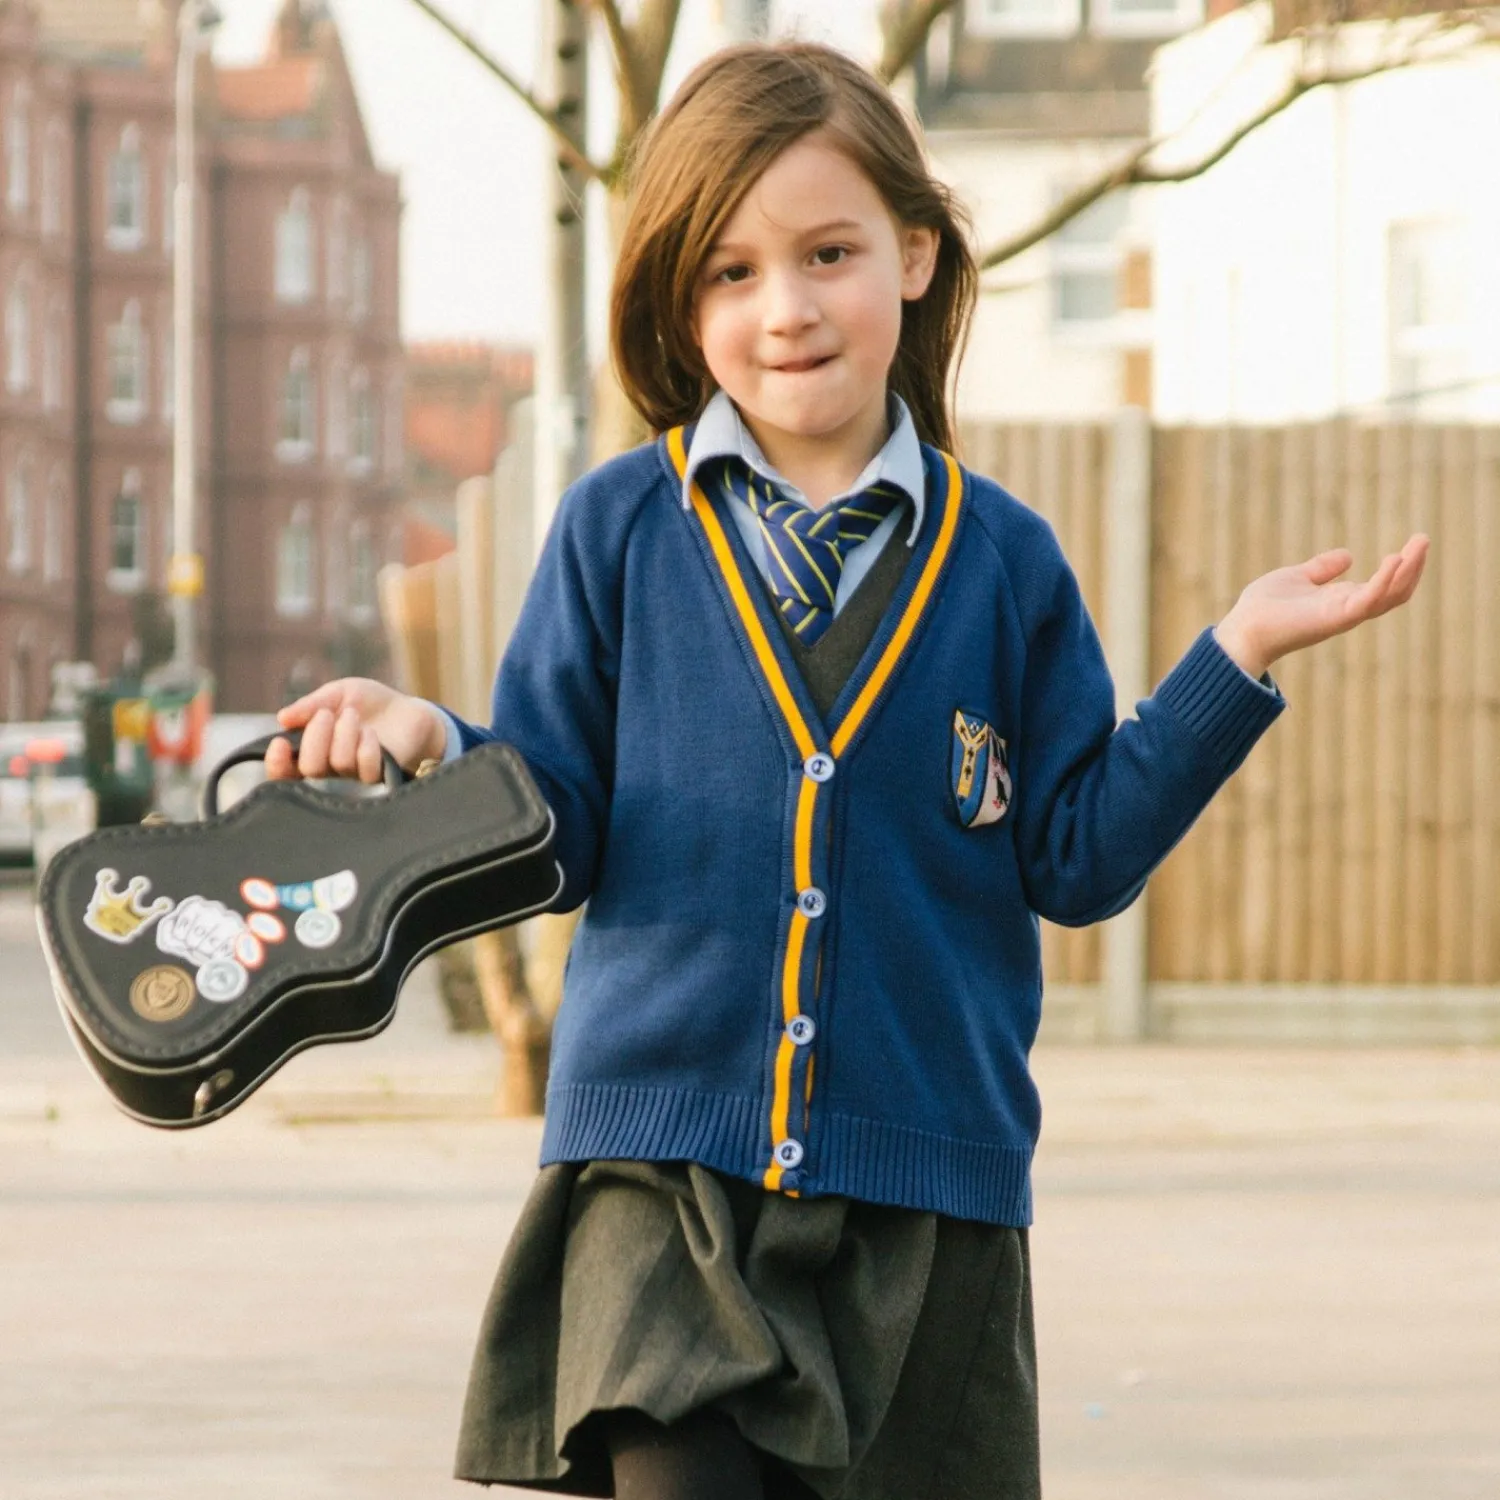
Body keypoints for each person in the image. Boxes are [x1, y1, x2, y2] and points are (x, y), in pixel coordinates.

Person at [265, 41, 1427, 1500]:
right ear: (682, 305)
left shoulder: (1005, 563)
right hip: (662, 1188)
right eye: (731, 272)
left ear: (918, 255)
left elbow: (1074, 859)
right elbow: (555, 820)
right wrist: (438, 745)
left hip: (925, 1198)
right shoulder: (616, 531)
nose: (787, 307)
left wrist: (1232, 660)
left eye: (828, 252)